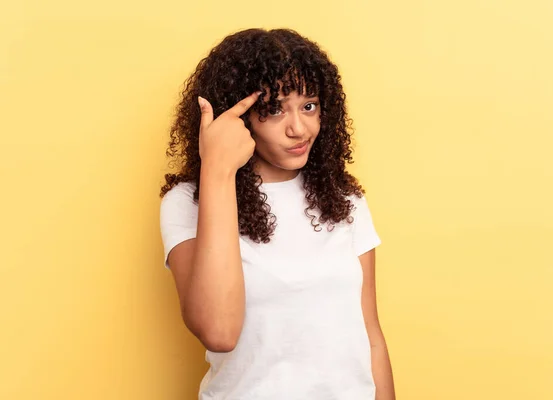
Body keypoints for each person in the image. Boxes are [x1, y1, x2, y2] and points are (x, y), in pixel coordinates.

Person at [159, 28, 395, 400]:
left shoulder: (343, 198)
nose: (299, 128)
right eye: (273, 109)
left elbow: (371, 336)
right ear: (239, 115)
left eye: (309, 106)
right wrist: (218, 169)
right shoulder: (188, 201)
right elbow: (219, 332)